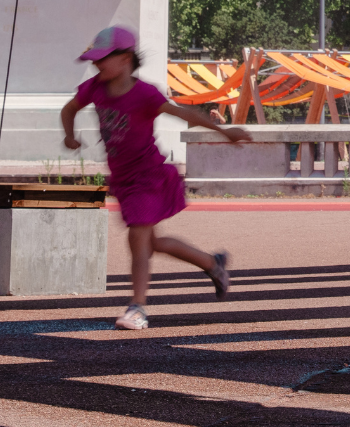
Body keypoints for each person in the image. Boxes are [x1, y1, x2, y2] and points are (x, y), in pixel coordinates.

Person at [61, 25, 248, 330]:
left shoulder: (144, 94)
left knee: (137, 237)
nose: (96, 65)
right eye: (94, 60)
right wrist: (70, 136)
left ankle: (137, 308)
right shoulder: (94, 88)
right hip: (123, 179)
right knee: (152, 243)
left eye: (102, 58)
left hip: (148, 176)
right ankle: (212, 264)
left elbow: (183, 114)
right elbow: (68, 110)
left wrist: (225, 132)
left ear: (125, 59)